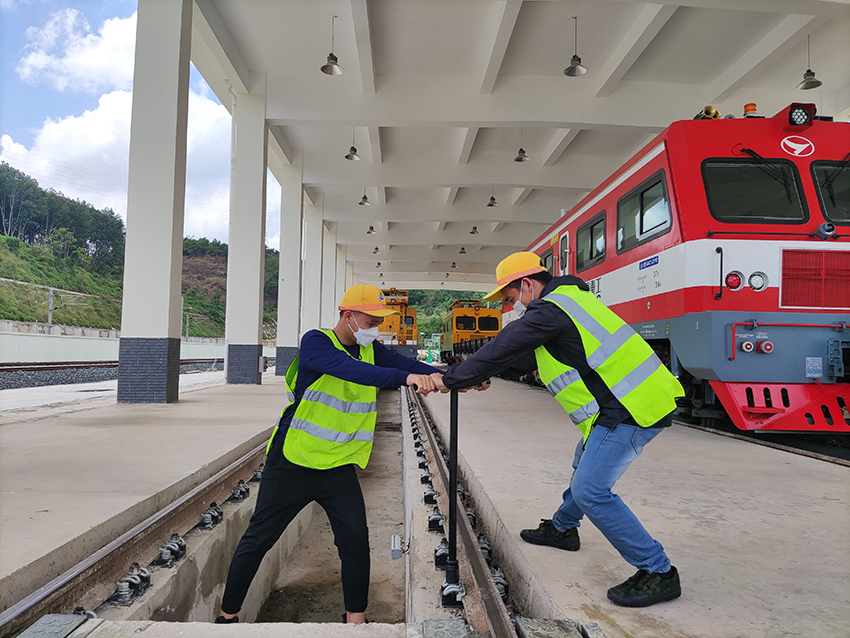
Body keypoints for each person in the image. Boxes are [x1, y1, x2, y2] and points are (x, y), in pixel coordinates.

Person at [431, 252, 685, 608]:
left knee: (591, 490)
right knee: (584, 460)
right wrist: (479, 375)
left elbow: (504, 345)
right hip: (622, 402)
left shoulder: (549, 309)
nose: (511, 306)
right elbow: (521, 357)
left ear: (528, 285)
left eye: (510, 297)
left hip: (631, 406)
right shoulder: (568, 304)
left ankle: (658, 570)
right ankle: (563, 528)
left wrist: (453, 379)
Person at [216, 284, 441, 625]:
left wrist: (458, 378)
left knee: (354, 540)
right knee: (259, 538)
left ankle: (355, 619)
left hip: (337, 467)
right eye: (371, 319)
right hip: (292, 461)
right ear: (349, 316)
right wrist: (405, 377)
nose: (376, 327)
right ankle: (227, 615)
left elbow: (405, 363)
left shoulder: (372, 350)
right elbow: (355, 372)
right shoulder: (317, 343)